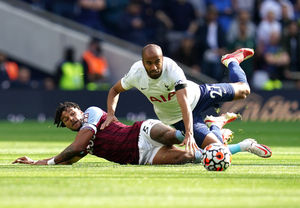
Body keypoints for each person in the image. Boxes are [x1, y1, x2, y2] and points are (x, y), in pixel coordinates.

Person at [101, 44, 271, 158]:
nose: (153, 67)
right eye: (149, 63)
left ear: (163, 59)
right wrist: (111, 113)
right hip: (178, 118)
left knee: (244, 90)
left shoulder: (172, 69)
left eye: (157, 62)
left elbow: (184, 103)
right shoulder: (136, 74)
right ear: (143, 62)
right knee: (216, 149)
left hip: (197, 95)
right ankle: (240, 141)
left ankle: (232, 61)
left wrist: (189, 134)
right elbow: (114, 90)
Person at [12, 102, 271, 166]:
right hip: (141, 157)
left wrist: (45, 161)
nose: (70, 118)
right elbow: (69, 158)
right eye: (66, 120)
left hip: (142, 133)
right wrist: (37, 162)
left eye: (70, 113)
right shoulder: (83, 144)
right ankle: (240, 142)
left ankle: (209, 129)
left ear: (79, 110)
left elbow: (75, 148)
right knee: (195, 158)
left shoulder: (92, 113)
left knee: (176, 136)